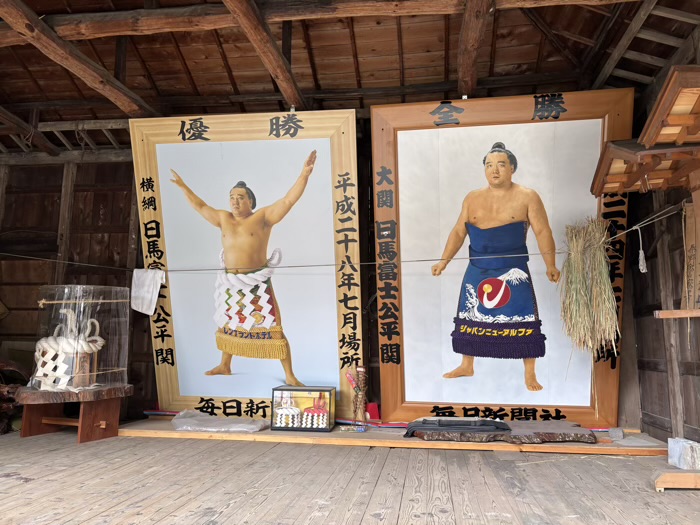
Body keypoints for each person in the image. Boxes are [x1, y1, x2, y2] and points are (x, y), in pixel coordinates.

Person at [170, 150, 317, 386]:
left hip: (256, 282)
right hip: (230, 282)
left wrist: (304, 175)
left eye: (240, 197)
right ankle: (225, 365)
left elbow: (288, 200)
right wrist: (183, 186)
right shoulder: (222, 218)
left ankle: (289, 375)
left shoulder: (263, 217)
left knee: (273, 325)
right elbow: (200, 206)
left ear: (251, 201)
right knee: (230, 322)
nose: (235, 201)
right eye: (232, 197)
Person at [431, 142, 559, 391]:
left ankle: (530, 373)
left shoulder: (527, 196)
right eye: (489, 165)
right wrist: (443, 261)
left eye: (501, 164)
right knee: (471, 313)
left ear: (512, 168)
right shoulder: (472, 198)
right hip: (478, 266)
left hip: (513, 268)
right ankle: (467, 365)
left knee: (522, 316)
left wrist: (550, 264)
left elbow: (543, 231)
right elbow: (459, 231)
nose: (494, 170)